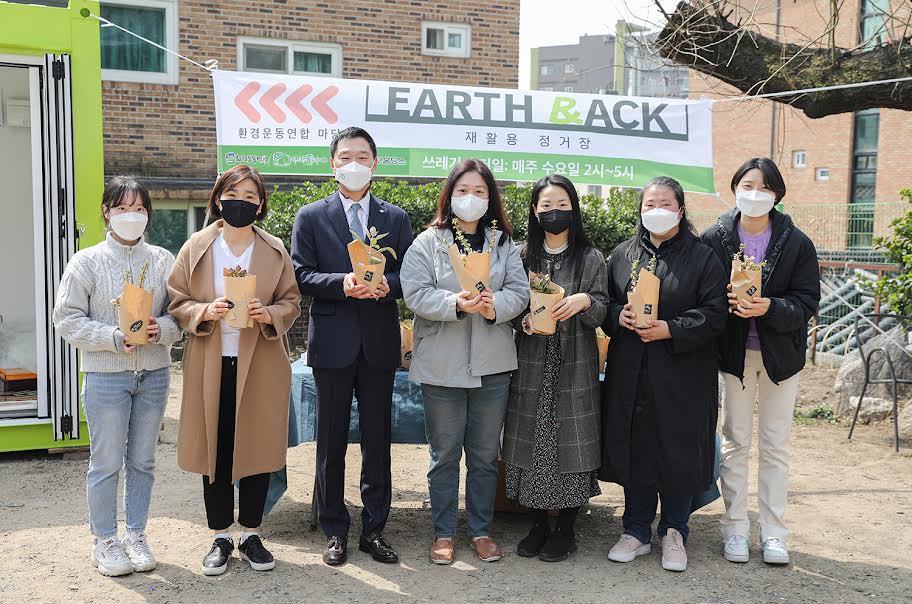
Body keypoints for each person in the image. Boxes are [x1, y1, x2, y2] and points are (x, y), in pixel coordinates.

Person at [167, 164, 301, 576]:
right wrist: (204, 310)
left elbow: (292, 301)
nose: (240, 202)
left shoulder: (274, 250)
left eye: (249, 196)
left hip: (261, 362)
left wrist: (269, 313)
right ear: (217, 199)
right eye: (232, 194)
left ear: (260, 205)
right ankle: (221, 536)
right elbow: (177, 300)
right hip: (211, 359)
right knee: (216, 447)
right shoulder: (197, 247)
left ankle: (252, 534)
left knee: (257, 447)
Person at [291, 127, 414, 566]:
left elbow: (410, 276)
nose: (354, 164)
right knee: (331, 441)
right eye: (345, 156)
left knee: (378, 441)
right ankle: (335, 529)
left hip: (379, 342)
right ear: (333, 164)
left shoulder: (395, 218)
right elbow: (301, 275)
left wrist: (387, 286)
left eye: (362, 156)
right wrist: (342, 283)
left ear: (375, 163)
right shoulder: (310, 216)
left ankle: (375, 529)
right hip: (333, 342)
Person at [401, 159, 529, 565]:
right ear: (449, 195)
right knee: (443, 455)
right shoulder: (428, 242)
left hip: (492, 365)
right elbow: (414, 292)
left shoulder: (502, 243)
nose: (470, 198)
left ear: (490, 198)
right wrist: (454, 302)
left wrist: (495, 306)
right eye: (462, 191)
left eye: (479, 191)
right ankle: (443, 533)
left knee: (485, 455)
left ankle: (480, 530)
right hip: (442, 366)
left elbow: (520, 291)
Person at [53, 176, 182, 577]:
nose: (132, 215)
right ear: (106, 212)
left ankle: (136, 534)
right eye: (123, 208)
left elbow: (181, 314)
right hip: (106, 377)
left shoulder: (162, 260)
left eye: (139, 209)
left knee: (143, 460)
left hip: (154, 375)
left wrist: (162, 329)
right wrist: (111, 337)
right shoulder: (86, 262)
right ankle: (105, 540)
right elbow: (66, 319)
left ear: (148, 215)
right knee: (106, 462)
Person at [600, 176, 727, 572]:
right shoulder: (623, 254)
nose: (657, 210)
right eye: (650, 204)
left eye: (665, 204)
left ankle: (675, 530)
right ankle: (636, 529)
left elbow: (716, 314)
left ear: (681, 210)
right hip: (632, 368)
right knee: (636, 445)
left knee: (678, 448)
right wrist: (617, 316)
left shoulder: (703, 257)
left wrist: (671, 328)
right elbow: (606, 304)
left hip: (683, 371)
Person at [701, 158, 820, 565]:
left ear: (777, 195)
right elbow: (701, 296)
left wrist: (769, 306)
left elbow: (807, 302)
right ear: (734, 189)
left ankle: (774, 533)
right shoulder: (715, 237)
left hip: (780, 358)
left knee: (775, 445)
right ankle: (735, 528)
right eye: (747, 185)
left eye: (764, 188)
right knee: (735, 442)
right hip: (733, 356)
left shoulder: (797, 242)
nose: (755, 194)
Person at [502, 174, 609, 562]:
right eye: (546, 205)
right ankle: (536, 524)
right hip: (531, 362)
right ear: (535, 211)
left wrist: (584, 301)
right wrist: (525, 322)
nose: (554, 212)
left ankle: (566, 527)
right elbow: (509, 309)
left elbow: (603, 311)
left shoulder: (591, 257)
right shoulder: (521, 256)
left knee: (572, 442)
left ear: (574, 209)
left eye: (562, 204)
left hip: (574, 362)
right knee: (532, 439)